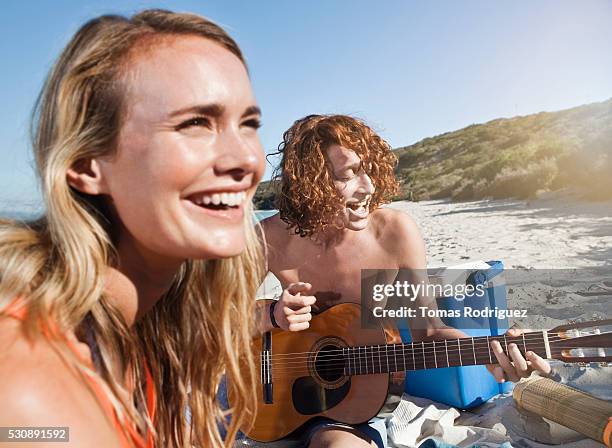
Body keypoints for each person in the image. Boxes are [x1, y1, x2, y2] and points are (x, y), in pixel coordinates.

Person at [0, 9, 265, 448]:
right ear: (87, 163)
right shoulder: (31, 387)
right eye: (196, 123)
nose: (247, 161)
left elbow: (415, 323)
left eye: (248, 124)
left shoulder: (142, 335)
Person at [259, 114, 551, 448]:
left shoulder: (394, 235)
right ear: (310, 182)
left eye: (367, 169)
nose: (368, 186)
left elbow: (428, 332)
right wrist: (272, 315)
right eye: (349, 174)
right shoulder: (270, 238)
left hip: (354, 407)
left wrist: (488, 354)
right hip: (272, 392)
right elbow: (212, 324)